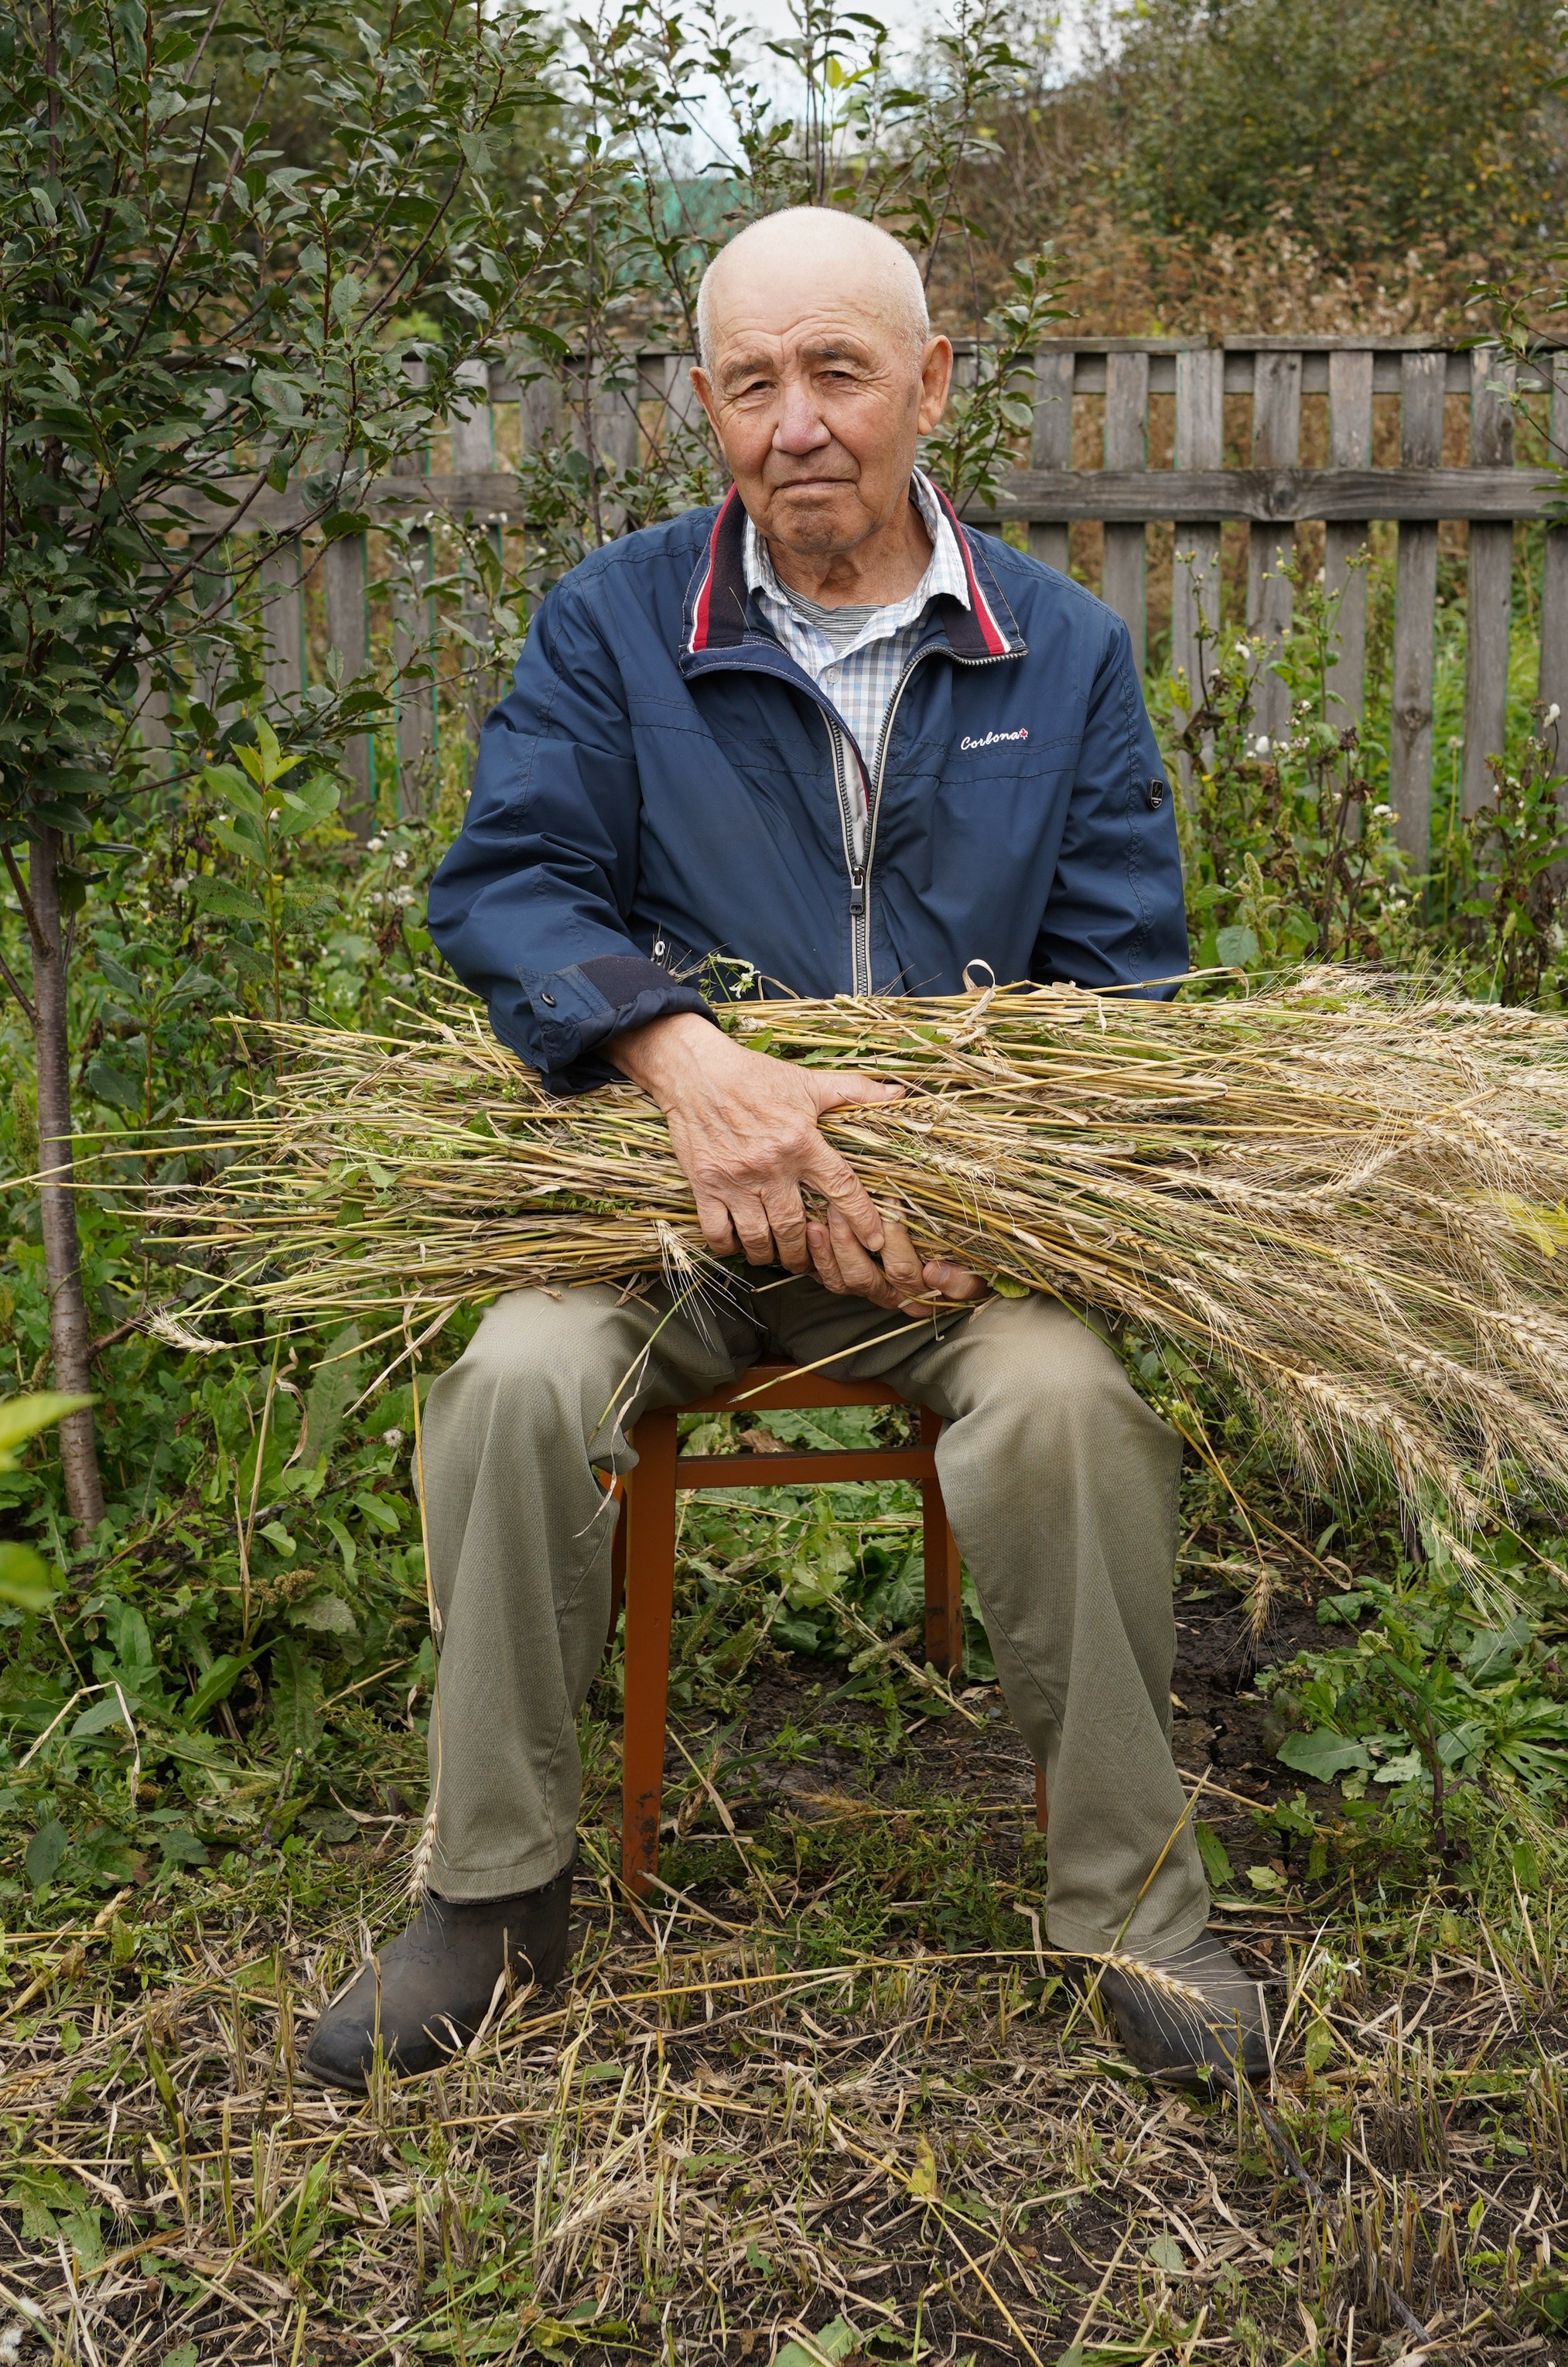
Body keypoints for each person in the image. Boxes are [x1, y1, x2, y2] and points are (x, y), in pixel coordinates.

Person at [303, 208, 1267, 2090]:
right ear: (703, 405)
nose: (799, 420)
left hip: (940, 1225)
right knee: (509, 1379)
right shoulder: (614, 620)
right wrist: (681, 1054)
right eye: (753, 380)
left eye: (837, 369)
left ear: (928, 382)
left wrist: (976, 1204)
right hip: (656, 1205)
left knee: (1067, 1402)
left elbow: (1116, 982)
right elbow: (510, 885)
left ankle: (1132, 1910)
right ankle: (489, 1899)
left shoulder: (1056, 652)